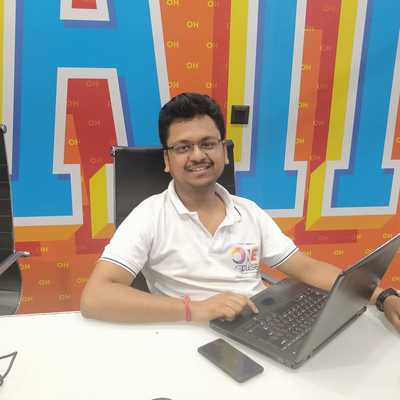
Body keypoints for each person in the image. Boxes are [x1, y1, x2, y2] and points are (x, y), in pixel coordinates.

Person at [80, 93, 400, 331]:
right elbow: (95, 298)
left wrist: (381, 297)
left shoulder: (249, 212)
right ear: (167, 160)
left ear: (224, 151)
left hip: (260, 327)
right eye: (183, 147)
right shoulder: (149, 215)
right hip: (188, 334)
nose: (198, 155)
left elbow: (305, 267)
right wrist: (195, 309)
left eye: (208, 143)